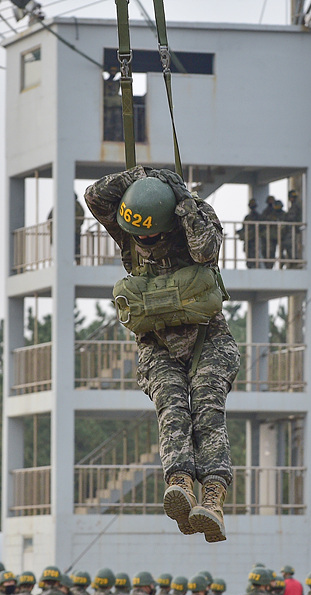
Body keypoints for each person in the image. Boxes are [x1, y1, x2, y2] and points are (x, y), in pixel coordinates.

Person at [86, 167, 240, 543]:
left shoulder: (192, 222)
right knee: (172, 410)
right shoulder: (128, 231)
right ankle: (181, 484)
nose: (145, 241)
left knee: (206, 411)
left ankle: (213, 499)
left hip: (209, 340)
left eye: (153, 234)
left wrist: (184, 204)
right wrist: (144, 176)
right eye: (140, 235)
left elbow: (208, 249)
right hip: (157, 345)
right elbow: (94, 196)